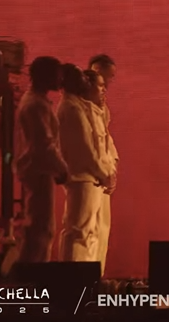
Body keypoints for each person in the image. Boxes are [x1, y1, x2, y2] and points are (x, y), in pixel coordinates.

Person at [57, 65, 112, 263]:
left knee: (89, 233)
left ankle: (85, 275)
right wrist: (104, 173)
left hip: (90, 176)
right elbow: (86, 149)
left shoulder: (79, 107)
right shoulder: (72, 109)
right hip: (83, 177)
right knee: (79, 232)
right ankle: (74, 276)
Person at [15, 56, 68, 263]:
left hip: (37, 170)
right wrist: (61, 169)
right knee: (40, 230)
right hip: (38, 171)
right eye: (57, 75)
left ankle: (31, 274)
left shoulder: (36, 102)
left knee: (39, 229)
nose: (60, 79)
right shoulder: (36, 105)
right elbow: (43, 144)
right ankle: (32, 275)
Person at [88, 54, 118, 276]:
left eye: (109, 78)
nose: (105, 83)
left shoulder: (102, 106)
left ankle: (97, 275)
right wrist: (102, 171)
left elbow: (105, 138)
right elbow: (86, 145)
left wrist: (112, 166)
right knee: (86, 230)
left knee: (102, 228)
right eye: (100, 76)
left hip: (104, 174)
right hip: (90, 175)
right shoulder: (79, 107)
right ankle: (83, 279)